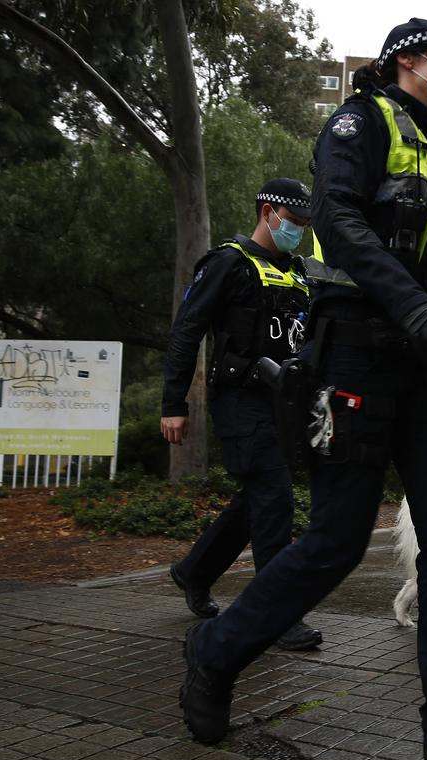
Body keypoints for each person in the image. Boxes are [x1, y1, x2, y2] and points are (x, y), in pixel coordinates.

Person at [179, 18, 427, 760]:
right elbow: (340, 221)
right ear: (410, 59)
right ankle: (216, 652)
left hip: (419, 371)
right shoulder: (360, 123)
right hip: (350, 362)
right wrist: (407, 303)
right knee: (336, 542)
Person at [160, 178, 323, 652]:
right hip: (240, 400)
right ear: (269, 212)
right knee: (275, 502)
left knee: (258, 501)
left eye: (306, 225)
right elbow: (187, 331)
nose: (299, 231)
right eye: (294, 222)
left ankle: (194, 571)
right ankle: (275, 615)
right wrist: (174, 404)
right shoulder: (228, 262)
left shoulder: (298, 273)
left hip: (283, 405)